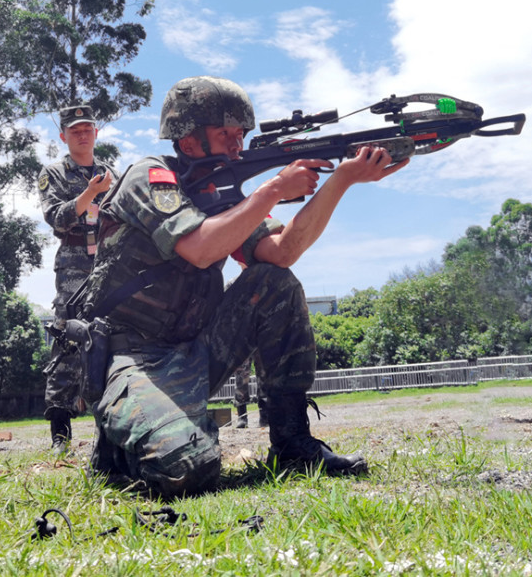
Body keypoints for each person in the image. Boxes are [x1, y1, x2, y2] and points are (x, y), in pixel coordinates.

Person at [82, 75, 405, 497]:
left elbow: (283, 251)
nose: (237, 146)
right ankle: (117, 451)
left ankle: (292, 445)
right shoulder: (150, 176)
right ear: (190, 141)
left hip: (194, 352)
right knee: (186, 469)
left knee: (273, 283)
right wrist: (273, 190)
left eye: (241, 135)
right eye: (225, 135)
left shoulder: (226, 198)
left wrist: (341, 179)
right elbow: (199, 247)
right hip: (133, 359)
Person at [38, 106, 114, 453]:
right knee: (67, 340)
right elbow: (56, 217)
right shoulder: (54, 173)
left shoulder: (110, 173)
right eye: (75, 130)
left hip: (109, 262)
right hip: (72, 264)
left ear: (96, 133)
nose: (82, 134)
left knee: (112, 337)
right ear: (63, 137)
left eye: (88, 129)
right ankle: (60, 435)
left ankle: (113, 425)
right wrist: (89, 195)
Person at [232, 357, 266, 429]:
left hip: (260, 346)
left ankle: (264, 416)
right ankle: (242, 417)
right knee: (241, 376)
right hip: (244, 347)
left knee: (263, 375)